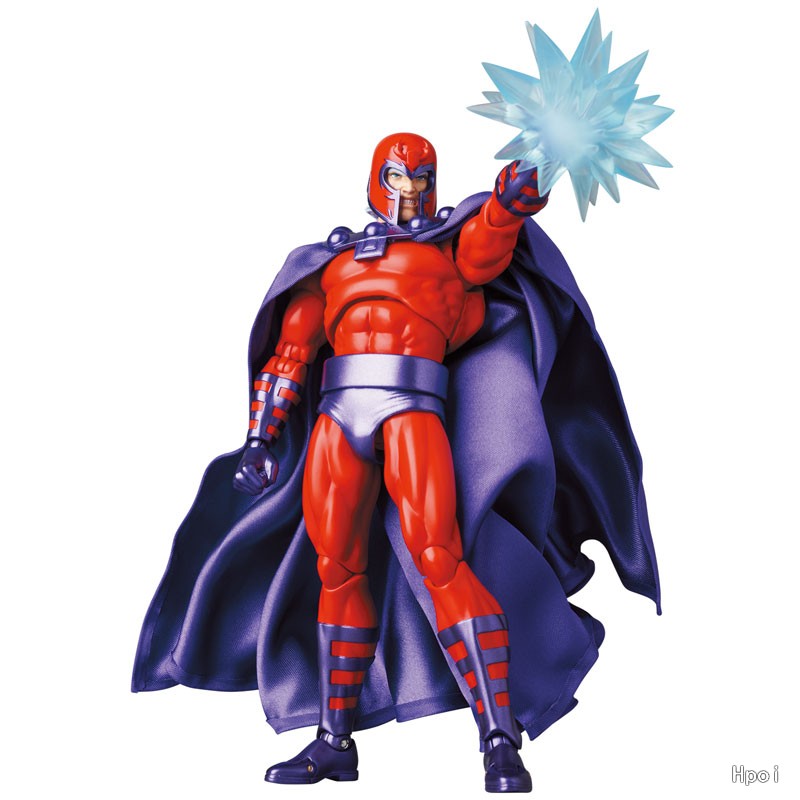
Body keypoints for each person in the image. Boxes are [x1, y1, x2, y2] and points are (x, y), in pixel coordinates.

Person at [132, 132, 659, 795]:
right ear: (375, 179)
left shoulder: (447, 255)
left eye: (420, 178)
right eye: (396, 176)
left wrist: (515, 193)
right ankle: (333, 741)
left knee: (440, 558)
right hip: (337, 416)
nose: (408, 189)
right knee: (336, 568)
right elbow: (290, 356)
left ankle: (499, 738)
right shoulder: (330, 264)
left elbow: (494, 234)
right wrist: (262, 439)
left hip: (413, 408)